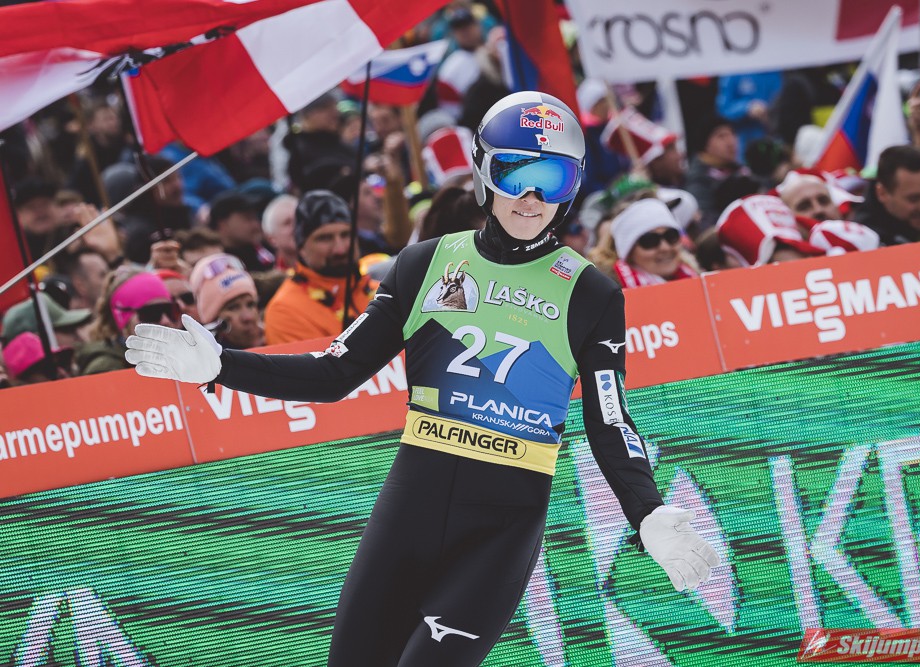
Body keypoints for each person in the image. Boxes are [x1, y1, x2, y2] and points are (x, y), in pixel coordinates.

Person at [124, 91, 720, 667]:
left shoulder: (591, 293)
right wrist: (223, 366)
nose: (531, 196)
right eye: (514, 173)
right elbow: (334, 374)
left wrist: (646, 512)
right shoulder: (425, 263)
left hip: (501, 528)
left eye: (553, 178)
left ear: (574, 186)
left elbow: (608, 419)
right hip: (411, 508)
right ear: (484, 172)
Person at [262, 191, 378, 345]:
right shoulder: (285, 311)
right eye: (325, 238)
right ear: (301, 247)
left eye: (346, 235)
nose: (340, 249)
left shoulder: (381, 293)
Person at [610, 198, 699, 288]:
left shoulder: (699, 278)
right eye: (650, 241)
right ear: (629, 252)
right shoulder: (614, 293)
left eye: (671, 236)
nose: (665, 247)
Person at [190, 254, 265, 350]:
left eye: (250, 304)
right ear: (213, 321)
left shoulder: (275, 336)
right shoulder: (209, 357)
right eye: (233, 308)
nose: (248, 317)